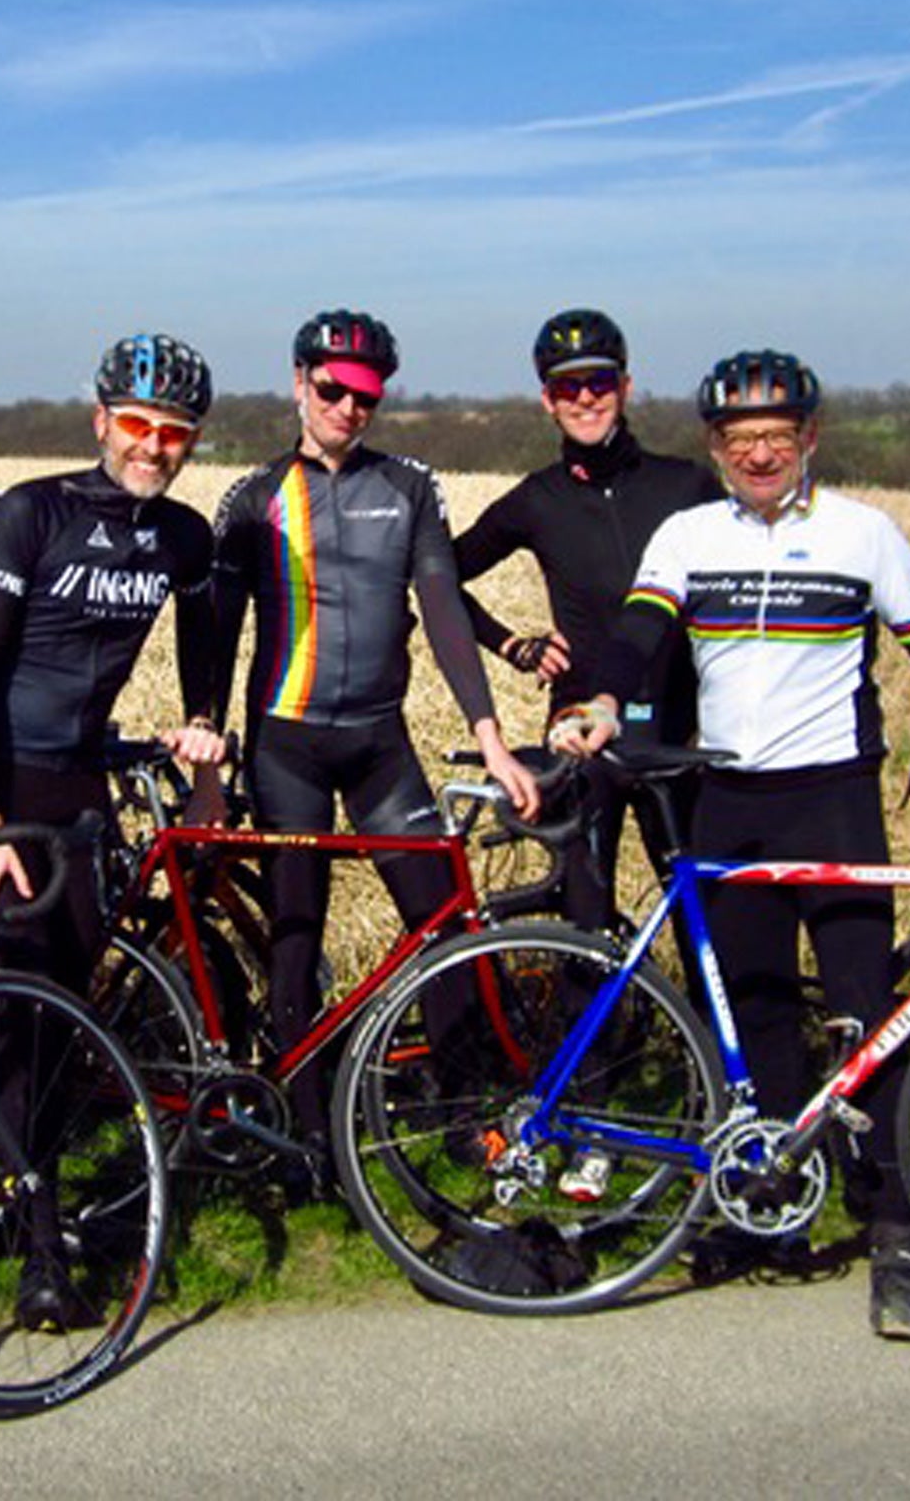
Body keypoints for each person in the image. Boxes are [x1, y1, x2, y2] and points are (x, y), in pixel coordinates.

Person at [560, 348, 910, 1342]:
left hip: (832, 800)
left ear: (809, 439)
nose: (759, 455)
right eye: (740, 442)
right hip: (727, 797)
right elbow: (635, 637)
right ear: (715, 448)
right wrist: (601, 700)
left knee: (870, 1022)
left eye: (777, 438)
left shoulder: (861, 534)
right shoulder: (686, 534)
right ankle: (767, 1208)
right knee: (760, 1019)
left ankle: (895, 1231)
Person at [211, 308, 540, 1184]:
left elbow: (441, 609)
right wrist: (207, 742)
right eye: (332, 390)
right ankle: (307, 1131)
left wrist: (491, 738)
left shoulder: (409, 487)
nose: (348, 409)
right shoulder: (252, 498)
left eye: (366, 396)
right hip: (284, 745)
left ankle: (467, 1110)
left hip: (378, 742)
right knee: (294, 932)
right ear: (298, 383)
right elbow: (213, 628)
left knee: (444, 923)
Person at [0, 333, 224, 1329]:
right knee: (21, 1010)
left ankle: (24, 1186)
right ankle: (39, 1246)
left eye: (176, 434)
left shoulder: (183, 538)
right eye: (139, 426)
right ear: (102, 418)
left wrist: (205, 736)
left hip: (78, 787)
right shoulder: (33, 513)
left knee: (66, 1014)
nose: (154, 447)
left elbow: (207, 640)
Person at [454, 307, 722, 936]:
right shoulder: (536, 499)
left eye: (598, 382)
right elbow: (437, 577)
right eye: (565, 387)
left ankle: (704, 1034)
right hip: (579, 731)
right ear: (546, 400)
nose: (584, 398)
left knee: (703, 918)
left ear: (625, 388)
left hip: (679, 731)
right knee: (583, 918)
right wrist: (511, 644)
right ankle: (593, 1036)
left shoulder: (686, 486)